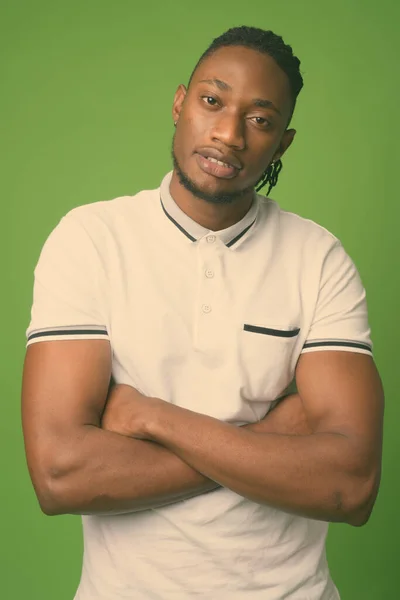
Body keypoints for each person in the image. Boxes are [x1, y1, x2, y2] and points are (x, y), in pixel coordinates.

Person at [21, 25, 384, 600]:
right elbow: (61, 475)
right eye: (212, 101)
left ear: (282, 145)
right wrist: (269, 436)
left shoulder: (318, 258)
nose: (228, 133)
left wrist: (152, 418)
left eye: (260, 119)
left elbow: (350, 486)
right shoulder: (90, 240)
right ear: (179, 103)